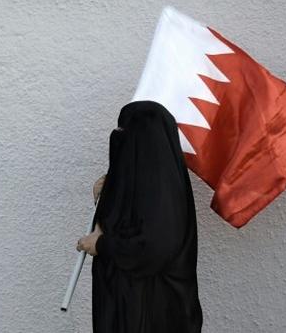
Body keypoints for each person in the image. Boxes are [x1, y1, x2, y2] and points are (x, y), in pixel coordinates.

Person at [76, 100, 203, 332]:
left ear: (141, 141)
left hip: (155, 318)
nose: (117, 137)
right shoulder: (144, 185)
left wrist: (103, 245)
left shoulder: (163, 191)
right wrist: (106, 198)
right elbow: (121, 225)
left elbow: (152, 248)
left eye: (124, 131)